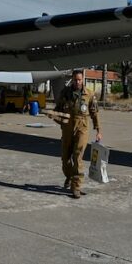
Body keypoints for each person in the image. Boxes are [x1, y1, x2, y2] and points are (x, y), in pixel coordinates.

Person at [50, 70, 102, 199]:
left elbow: (94, 113)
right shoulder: (65, 93)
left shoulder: (89, 94)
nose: (78, 82)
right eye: (75, 80)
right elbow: (58, 110)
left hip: (82, 128)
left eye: (80, 80)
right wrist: (56, 117)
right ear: (72, 79)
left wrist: (98, 130)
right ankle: (69, 176)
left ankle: (76, 187)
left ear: (83, 79)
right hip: (67, 129)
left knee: (78, 157)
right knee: (65, 159)